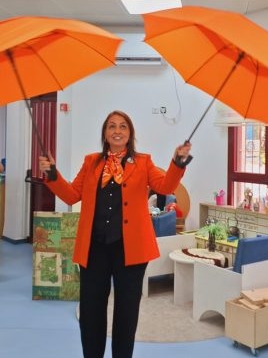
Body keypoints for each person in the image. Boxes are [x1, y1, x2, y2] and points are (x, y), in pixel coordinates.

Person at [38, 110, 192, 358]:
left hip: (131, 251)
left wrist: (178, 162)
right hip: (94, 249)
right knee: (91, 312)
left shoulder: (143, 162)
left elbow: (165, 186)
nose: (117, 131)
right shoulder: (91, 162)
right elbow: (71, 195)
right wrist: (52, 174)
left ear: (130, 134)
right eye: (111, 126)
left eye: (122, 126)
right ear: (105, 133)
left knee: (126, 314)